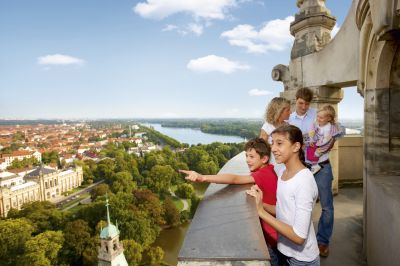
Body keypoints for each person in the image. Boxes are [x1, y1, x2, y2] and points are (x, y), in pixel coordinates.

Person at [179, 138, 281, 266]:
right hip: (276, 235)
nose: (247, 160)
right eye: (246, 156)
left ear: (264, 159)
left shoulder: (262, 174)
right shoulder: (269, 170)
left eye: (251, 156)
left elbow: (234, 179)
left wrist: (203, 177)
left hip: (271, 240)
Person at [247, 125, 320, 265]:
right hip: (284, 252)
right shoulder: (282, 173)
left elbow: (299, 237)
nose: (273, 148)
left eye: (279, 143)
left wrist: (261, 212)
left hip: (301, 260)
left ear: (296, 146)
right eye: (272, 142)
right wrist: (260, 203)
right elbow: (282, 210)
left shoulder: (304, 182)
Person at [288, 88, 333, 257]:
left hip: (322, 166)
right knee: (298, 204)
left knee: (327, 207)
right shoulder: (289, 118)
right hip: (300, 167)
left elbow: (334, 131)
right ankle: (298, 238)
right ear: (296, 100)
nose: (304, 107)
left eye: (307, 103)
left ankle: (323, 242)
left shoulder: (318, 114)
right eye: (301, 103)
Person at [307, 105, 345, 175]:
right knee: (310, 152)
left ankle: (315, 165)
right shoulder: (318, 123)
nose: (318, 119)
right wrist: (312, 139)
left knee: (315, 154)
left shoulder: (328, 128)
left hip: (323, 145)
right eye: (317, 116)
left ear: (329, 118)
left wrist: (317, 144)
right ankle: (314, 165)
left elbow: (326, 140)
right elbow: (313, 128)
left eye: (321, 118)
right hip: (318, 142)